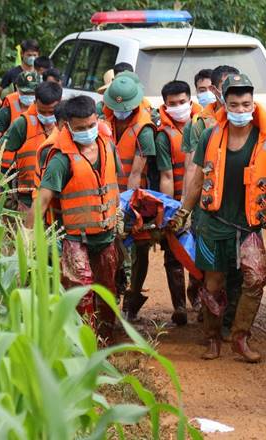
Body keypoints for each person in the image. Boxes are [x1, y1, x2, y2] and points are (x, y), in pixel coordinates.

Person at [169, 73, 266, 362]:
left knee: (256, 278)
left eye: (246, 104)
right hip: (213, 222)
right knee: (213, 283)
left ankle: (240, 337)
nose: (241, 111)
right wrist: (184, 210)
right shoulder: (210, 135)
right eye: (235, 105)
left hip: (247, 225)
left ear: (253, 104)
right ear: (225, 104)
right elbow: (197, 180)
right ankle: (212, 338)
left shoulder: (264, 140)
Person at [26, 95, 122, 344]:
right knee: (82, 294)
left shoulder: (107, 146)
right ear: (67, 126)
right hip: (75, 238)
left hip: (106, 233)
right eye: (80, 129)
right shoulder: (61, 159)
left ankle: (106, 342)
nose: (87, 132)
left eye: (91, 126)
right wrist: (27, 238)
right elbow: (43, 200)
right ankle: (83, 345)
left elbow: (112, 184)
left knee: (108, 290)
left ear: (97, 120)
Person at [181, 65, 240, 334]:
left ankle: (232, 325)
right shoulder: (202, 125)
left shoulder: (251, 122)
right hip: (210, 208)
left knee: (239, 271)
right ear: (217, 91)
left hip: (241, 209)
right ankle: (213, 324)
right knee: (210, 270)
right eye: (228, 87)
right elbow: (192, 171)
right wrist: (186, 209)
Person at [101, 72, 156, 320]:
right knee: (110, 249)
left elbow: (136, 172)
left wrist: (125, 207)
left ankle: (132, 301)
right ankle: (111, 297)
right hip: (105, 196)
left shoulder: (144, 130)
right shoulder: (103, 123)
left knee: (139, 248)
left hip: (134, 199)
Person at [153, 80, 203, 325]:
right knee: (173, 255)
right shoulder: (164, 136)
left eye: (182, 102)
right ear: (165, 105)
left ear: (190, 101)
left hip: (202, 203)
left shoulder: (203, 125)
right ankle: (179, 307)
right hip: (177, 202)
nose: (178, 107)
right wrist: (172, 210)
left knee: (199, 252)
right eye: (173, 104)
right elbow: (166, 175)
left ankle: (199, 299)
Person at [0, 81, 62, 210]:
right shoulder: (22, 124)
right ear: (35, 103)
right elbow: (0, 150)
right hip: (26, 197)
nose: (47, 116)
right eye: (43, 111)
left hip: (56, 198)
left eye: (51, 112)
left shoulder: (67, 124)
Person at [0, 70, 39, 176]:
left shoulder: (44, 110)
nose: (29, 96)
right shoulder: (7, 111)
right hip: (6, 168)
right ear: (17, 88)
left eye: (32, 93)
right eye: (25, 92)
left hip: (32, 169)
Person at [0, 39, 39, 105]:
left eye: (34, 55)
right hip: (17, 111)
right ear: (22, 53)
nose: (32, 58)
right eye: (29, 55)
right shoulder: (12, 73)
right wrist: (5, 109)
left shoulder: (40, 73)